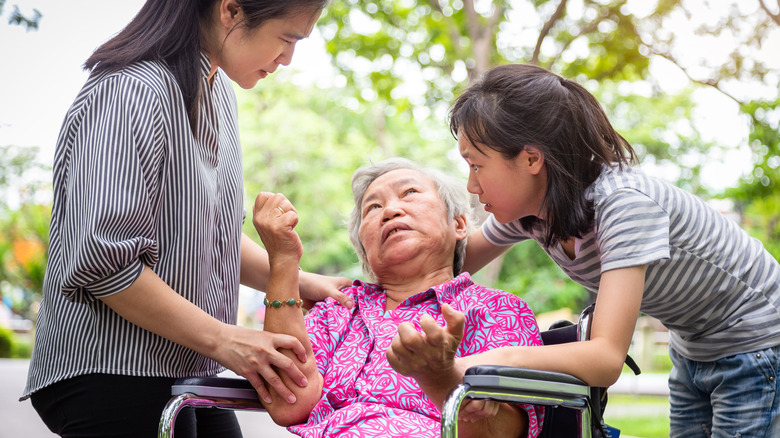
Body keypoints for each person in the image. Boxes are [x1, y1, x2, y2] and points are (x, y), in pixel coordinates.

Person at [21, 1, 353, 437]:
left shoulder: (218, 94)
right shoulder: (131, 90)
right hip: (111, 369)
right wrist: (226, 340)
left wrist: (306, 281)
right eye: (287, 38)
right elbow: (103, 263)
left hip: (186, 365)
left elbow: (215, 237)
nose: (288, 58)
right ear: (231, 11)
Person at [415, 63, 779, 437]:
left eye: (476, 166)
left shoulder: (623, 205)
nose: (472, 185)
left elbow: (606, 358)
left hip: (758, 340)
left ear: (531, 159)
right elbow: (436, 270)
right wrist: (357, 291)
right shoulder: (529, 210)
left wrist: (484, 364)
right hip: (693, 347)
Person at [251, 157, 544, 437]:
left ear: (458, 225)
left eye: (410, 192)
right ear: (363, 250)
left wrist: (441, 378)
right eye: (373, 207)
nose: (390, 210)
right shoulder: (337, 310)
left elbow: (505, 432)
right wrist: (284, 262)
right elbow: (289, 403)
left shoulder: (496, 309)